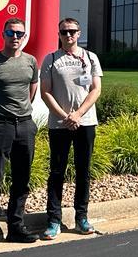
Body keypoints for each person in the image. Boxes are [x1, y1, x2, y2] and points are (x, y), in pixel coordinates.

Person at [0, 17, 40, 251]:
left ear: (24, 36)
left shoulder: (31, 61)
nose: (15, 37)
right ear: (3, 34)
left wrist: (20, 115)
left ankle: (16, 226)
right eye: (11, 33)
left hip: (25, 126)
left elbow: (31, 92)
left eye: (19, 33)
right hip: (0, 126)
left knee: (22, 178)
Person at [39, 18, 102, 239]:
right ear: (59, 34)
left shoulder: (90, 57)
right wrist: (65, 116)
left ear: (79, 33)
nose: (68, 35)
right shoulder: (51, 59)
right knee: (57, 172)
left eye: (72, 31)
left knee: (83, 171)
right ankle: (54, 220)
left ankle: (81, 217)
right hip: (59, 124)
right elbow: (45, 92)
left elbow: (96, 89)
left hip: (86, 122)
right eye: (64, 32)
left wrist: (78, 114)